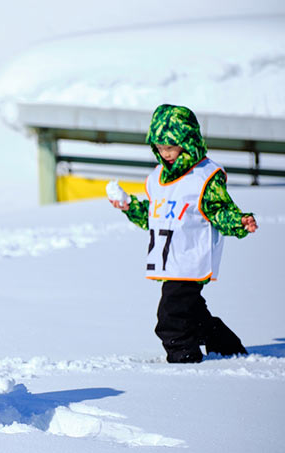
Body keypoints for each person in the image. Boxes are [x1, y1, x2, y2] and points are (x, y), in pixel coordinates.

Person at [107, 104, 257, 363]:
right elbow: (154, 217)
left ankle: (184, 362)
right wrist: (129, 206)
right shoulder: (157, 178)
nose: (165, 154)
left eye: (171, 147)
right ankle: (226, 346)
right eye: (160, 148)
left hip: (190, 260)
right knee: (193, 313)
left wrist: (239, 222)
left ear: (187, 141)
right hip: (170, 261)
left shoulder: (204, 176)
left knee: (170, 319)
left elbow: (221, 210)